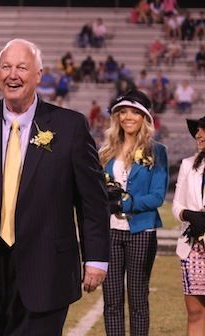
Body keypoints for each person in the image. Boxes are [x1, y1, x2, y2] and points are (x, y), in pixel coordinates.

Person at [0, 38, 110, 335]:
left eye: (22, 67)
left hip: (45, 270)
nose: (12, 74)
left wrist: (95, 258)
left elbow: (92, 199)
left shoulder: (70, 126)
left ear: (39, 74)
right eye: (6, 66)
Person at [98, 89, 169, 336]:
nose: (128, 117)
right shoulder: (105, 152)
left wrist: (123, 205)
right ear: (117, 117)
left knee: (138, 300)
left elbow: (157, 196)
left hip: (142, 231)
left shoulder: (157, 151)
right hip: (110, 233)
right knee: (112, 300)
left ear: (145, 118)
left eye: (135, 112)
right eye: (123, 112)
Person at [173, 116, 205, 336]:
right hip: (194, 246)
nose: (198, 135)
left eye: (203, 130)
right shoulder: (188, 164)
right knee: (195, 312)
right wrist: (189, 215)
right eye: (197, 131)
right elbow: (177, 205)